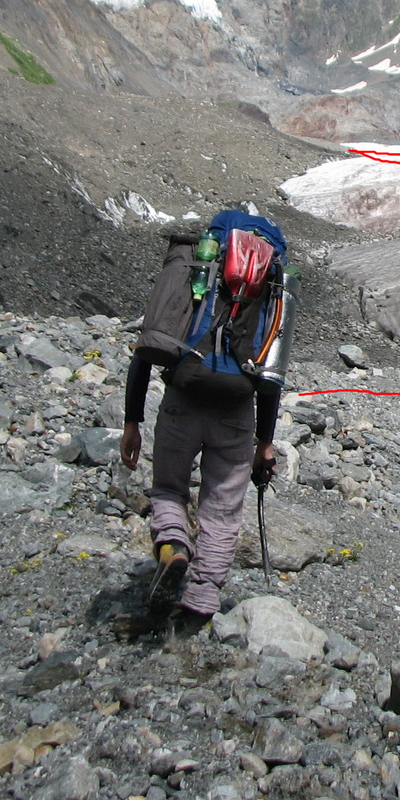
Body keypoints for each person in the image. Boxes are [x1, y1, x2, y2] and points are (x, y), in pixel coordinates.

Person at [119, 223, 284, 632]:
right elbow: (271, 376)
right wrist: (266, 441)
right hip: (237, 410)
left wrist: (132, 422)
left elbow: (147, 349)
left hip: (184, 400)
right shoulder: (269, 292)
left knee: (169, 489)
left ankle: (174, 544)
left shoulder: (198, 273)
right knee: (222, 510)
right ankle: (201, 600)